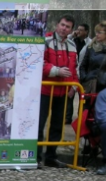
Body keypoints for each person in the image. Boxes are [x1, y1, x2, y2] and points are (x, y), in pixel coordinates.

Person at [37, 14, 78, 168]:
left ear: (71, 29)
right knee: (39, 124)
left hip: (63, 92)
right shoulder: (45, 41)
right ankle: (36, 156)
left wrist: (73, 86)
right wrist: (56, 71)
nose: (64, 28)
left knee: (57, 125)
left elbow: (75, 69)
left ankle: (51, 156)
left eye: (67, 27)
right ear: (57, 25)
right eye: (62, 25)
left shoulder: (72, 45)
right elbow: (38, 62)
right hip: (45, 89)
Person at [79, 21, 106, 94]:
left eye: (99, 32)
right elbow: (83, 66)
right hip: (90, 84)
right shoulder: (91, 48)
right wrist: (84, 78)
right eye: (96, 32)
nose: (97, 35)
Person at [65, 23, 91, 124]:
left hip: (83, 71)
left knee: (82, 95)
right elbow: (65, 39)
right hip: (72, 70)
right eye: (78, 29)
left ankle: (81, 116)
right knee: (70, 94)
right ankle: (67, 117)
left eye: (81, 30)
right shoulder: (72, 40)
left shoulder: (89, 43)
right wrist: (72, 34)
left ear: (86, 32)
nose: (78, 31)